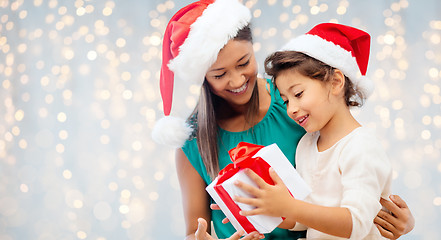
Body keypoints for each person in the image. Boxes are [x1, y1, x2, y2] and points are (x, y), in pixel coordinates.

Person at [151, 0, 414, 239]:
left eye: (243, 63)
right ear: (203, 77)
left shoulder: (295, 101)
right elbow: (195, 231)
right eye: (219, 74)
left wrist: (396, 220)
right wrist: (259, 206)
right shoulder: (194, 140)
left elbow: (354, 185)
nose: (237, 80)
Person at [232, 23, 411, 239]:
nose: (292, 109)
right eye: (286, 100)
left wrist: (290, 207)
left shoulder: (361, 147)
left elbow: (356, 224)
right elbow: (303, 218)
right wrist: (265, 206)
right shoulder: (306, 145)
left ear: (335, 82)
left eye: (298, 94)